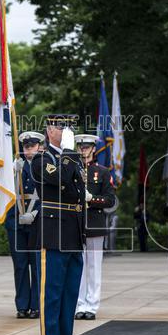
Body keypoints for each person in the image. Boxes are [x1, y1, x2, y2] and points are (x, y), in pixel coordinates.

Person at [31, 114, 86, 335]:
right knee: (51, 295)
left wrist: (69, 154)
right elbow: (61, 178)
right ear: (48, 130)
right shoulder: (42, 158)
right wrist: (67, 152)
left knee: (69, 296)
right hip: (54, 233)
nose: (63, 130)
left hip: (73, 233)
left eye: (66, 127)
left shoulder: (69, 155)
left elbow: (77, 190)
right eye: (59, 126)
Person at [75, 133, 116, 320]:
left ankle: (91, 305)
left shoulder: (103, 171)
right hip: (76, 224)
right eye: (80, 147)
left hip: (94, 223)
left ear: (93, 149)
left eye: (86, 147)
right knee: (79, 266)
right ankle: (79, 304)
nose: (83, 150)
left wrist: (92, 199)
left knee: (94, 267)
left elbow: (109, 200)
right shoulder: (72, 170)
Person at [6, 131, 42, 319]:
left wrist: (36, 212)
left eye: (32, 147)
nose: (28, 150)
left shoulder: (44, 166)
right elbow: (3, 192)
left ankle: (36, 304)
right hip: (16, 221)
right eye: (26, 147)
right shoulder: (15, 167)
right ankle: (22, 305)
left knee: (36, 266)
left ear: (39, 147)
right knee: (20, 265)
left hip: (36, 221)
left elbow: (50, 195)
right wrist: (11, 173)